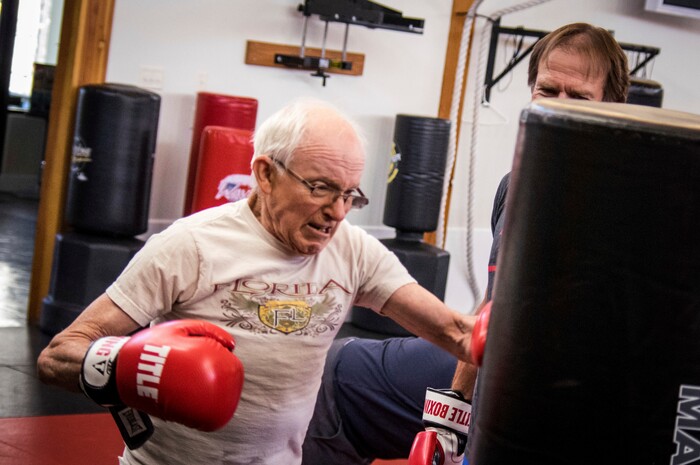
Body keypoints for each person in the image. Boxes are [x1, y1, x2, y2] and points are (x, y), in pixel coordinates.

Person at [36, 97, 479, 465]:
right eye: (321, 187)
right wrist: (133, 370)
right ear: (265, 174)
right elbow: (58, 356)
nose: (337, 211)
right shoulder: (190, 246)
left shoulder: (354, 251)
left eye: (349, 194)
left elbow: (457, 333)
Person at [301, 21, 630, 465]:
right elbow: (496, 307)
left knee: (339, 371)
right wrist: (450, 408)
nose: (559, 108)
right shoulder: (521, 181)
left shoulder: (632, 201)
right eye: (548, 91)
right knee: (345, 364)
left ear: (613, 106)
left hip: (551, 398)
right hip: (507, 368)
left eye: (580, 98)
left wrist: (456, 412)